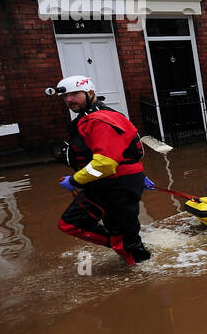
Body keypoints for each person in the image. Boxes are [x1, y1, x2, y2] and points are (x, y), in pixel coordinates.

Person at [51, 74, 150, 265]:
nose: (69, 100)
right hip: (107, 184)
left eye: (75, 94)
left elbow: (105, 164)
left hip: (117, 185)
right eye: (65, 96)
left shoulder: (99, 120)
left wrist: (75, 180)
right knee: (72, 223)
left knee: (124, 237)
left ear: (90, 93)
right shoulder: (90, 118)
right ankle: (127, 251)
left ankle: (143, 275)